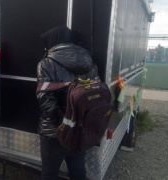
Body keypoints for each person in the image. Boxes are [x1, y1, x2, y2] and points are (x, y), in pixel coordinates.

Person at [36, 26, 98, 180]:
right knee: (78, 172)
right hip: (80, 129)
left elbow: (45, 100)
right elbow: (93, 95)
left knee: (49, 174)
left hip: (54, 133)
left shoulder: (45, 64)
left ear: (53, 42)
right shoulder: (90, 63)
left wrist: (63, 126)